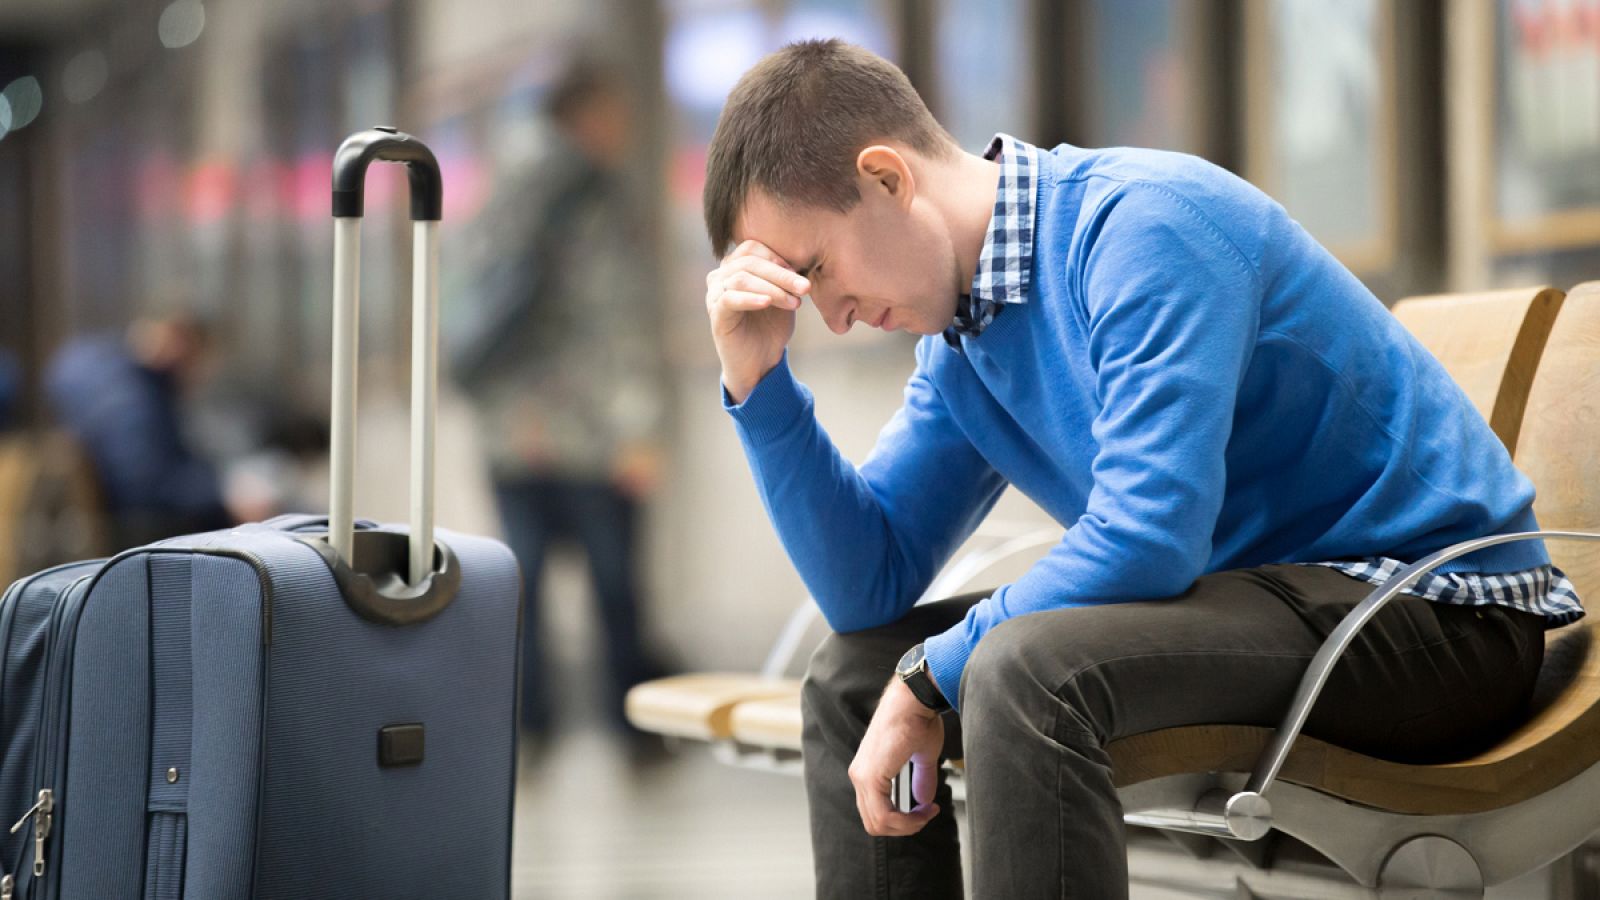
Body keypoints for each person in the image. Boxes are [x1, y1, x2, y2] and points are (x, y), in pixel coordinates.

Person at [699, 40, 1582, 899]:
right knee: (854, 677)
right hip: (1270, 600)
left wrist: (933, 673)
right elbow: (868, 588)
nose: (835, 319)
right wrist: (758, 382)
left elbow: (1150, 534)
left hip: (1429, 613)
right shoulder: (963, 343)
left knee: (1020, 668)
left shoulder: (1142, 226)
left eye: (816, 271)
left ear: (888, 178)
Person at [452, 59, 669, 757]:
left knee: (525, 588)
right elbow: (618, 321)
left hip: (513, 432)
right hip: (590, 435)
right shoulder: (592, 195)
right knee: (615, 590)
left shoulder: (500, 185)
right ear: (587, 115)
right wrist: (640, 429)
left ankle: (531, 728)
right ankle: (632, 728)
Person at [45, 312, 233, 548]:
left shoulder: (92, 363)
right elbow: (147, 486)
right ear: (178, 341)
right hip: (135, 538)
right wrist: (222, 496)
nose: (195, 377)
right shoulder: (129, 401)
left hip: (126, 524)